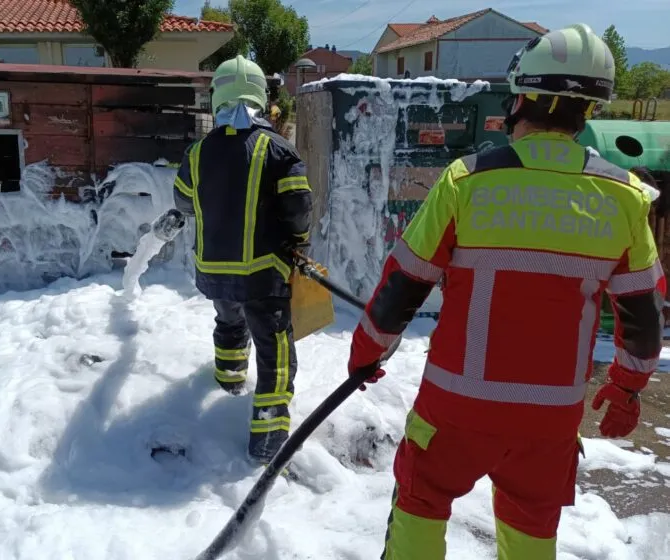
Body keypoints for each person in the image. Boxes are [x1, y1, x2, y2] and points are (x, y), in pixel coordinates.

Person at [346, 23, 666, 559]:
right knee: (531, 530)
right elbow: (643, 310)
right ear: (588, 110)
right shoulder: (627, 198)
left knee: (421, 505)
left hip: (456, 408)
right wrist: (629, 387)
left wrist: (366, 353)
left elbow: (404, 282)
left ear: (520, 99)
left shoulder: (466, 181)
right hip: (549, 419)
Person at [172, 55, 313, 464]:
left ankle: (229, 384)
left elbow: (183, 201)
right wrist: (297, 242)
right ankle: (267, 443)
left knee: (229, 321)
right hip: (264, 275)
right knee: (275, 349)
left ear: (217, 98)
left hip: (215, 272)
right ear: (261, 98)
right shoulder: (280, 150)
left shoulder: (197, 153)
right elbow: (299, 210)